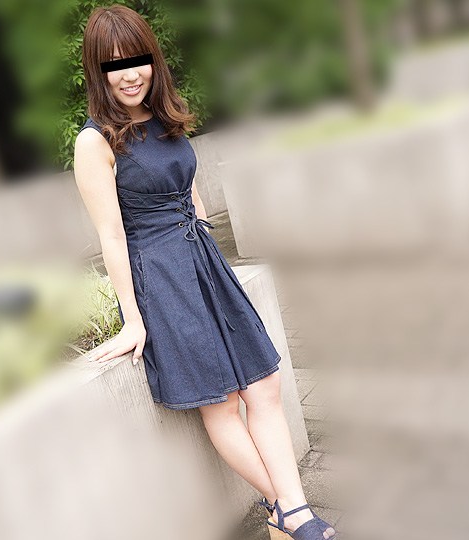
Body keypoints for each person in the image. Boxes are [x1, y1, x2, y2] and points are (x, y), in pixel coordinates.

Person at [72, 5, 336, 540]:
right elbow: (112, 237)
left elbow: (188, 194)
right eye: (113, 66)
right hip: (160, 276)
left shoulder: (165, 119)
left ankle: (289, 513)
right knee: (221, 400)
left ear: (153, 61)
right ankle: (292, 514)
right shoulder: (95, 141)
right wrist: (133, 320)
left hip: (203, 262)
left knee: (264, 384)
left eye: (137, 60)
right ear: (97, 73)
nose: (129, 74)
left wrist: (208, 248)